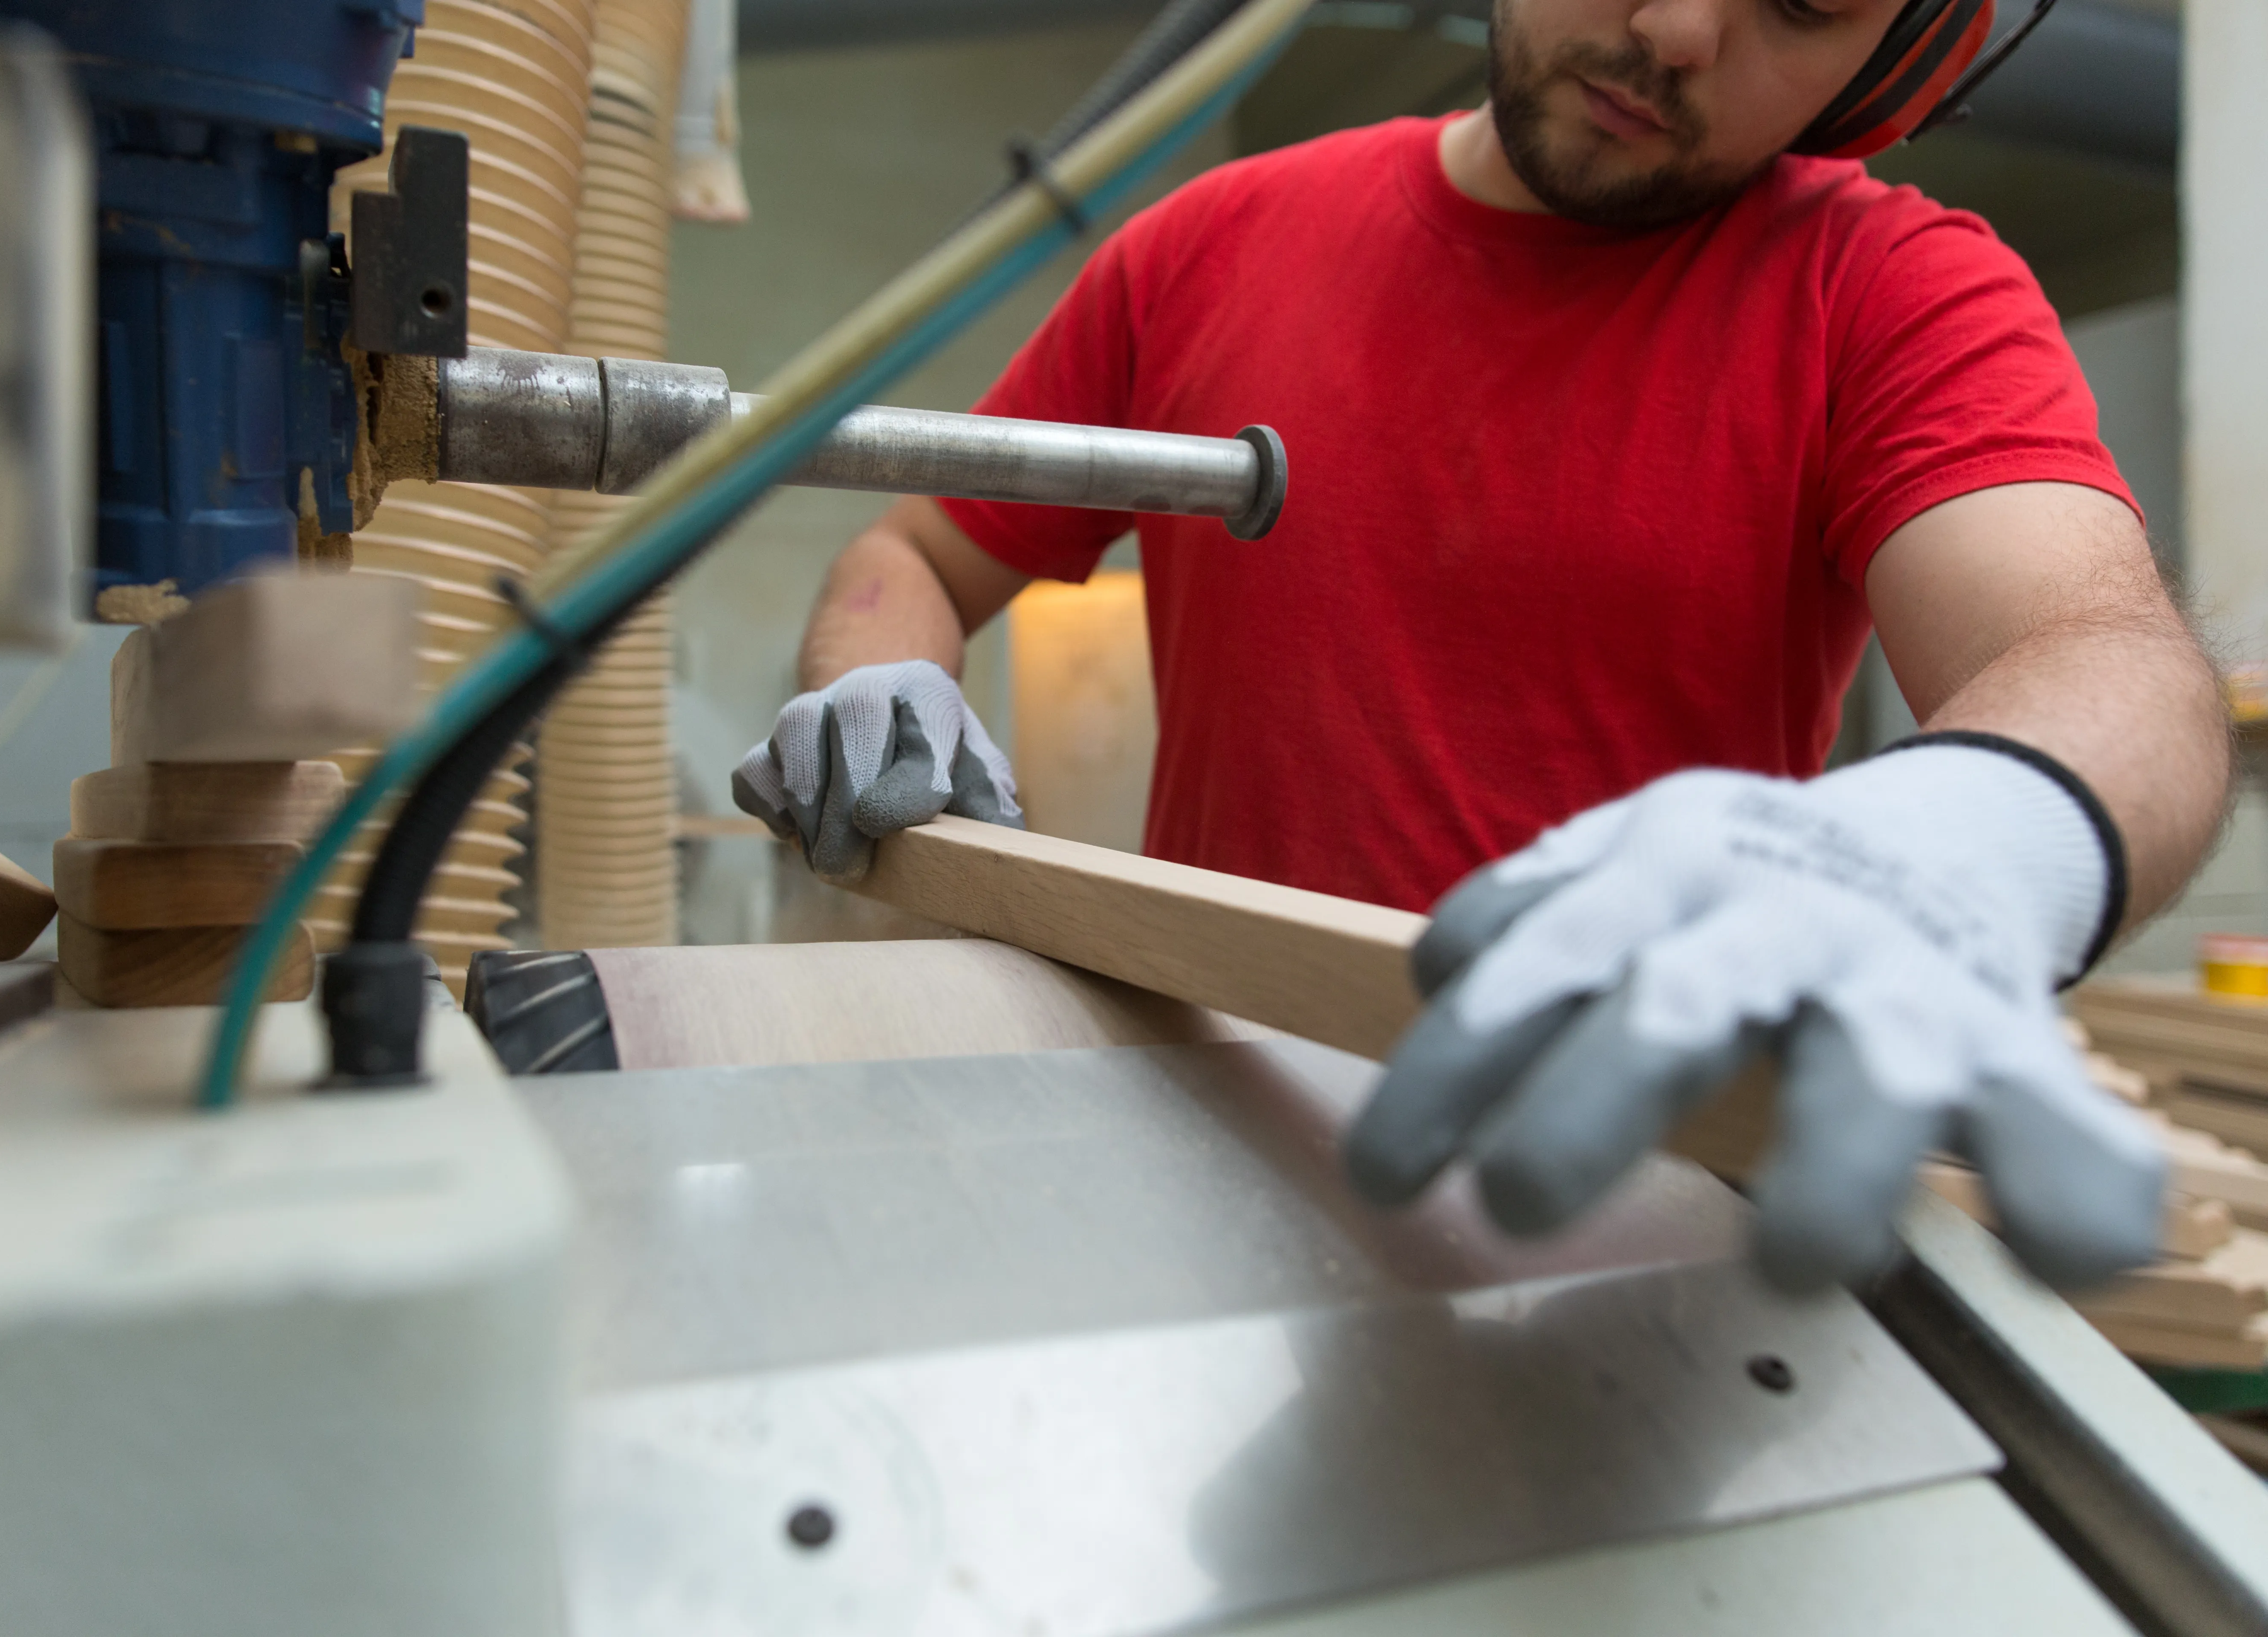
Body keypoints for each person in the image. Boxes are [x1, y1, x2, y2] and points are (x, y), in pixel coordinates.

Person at [732, 0, 2229, 1292]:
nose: (1680, 31)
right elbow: (916, 548)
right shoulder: (1203, 246)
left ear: (1890, 59)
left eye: (1802, 4)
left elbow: (2101, 650)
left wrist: (1975, 838)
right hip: (1198, 1165)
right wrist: (882, 675)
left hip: (1651, 1231)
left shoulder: (1890, 294)